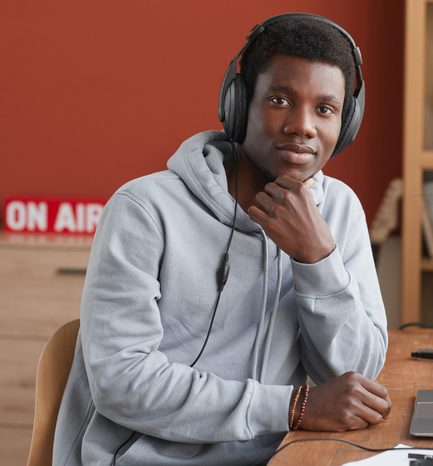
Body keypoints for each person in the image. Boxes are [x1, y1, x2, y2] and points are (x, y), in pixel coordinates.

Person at [53, 13, 391, 465]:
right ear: (239, 104)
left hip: (280, 456)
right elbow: (121, 381)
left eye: (325, 109)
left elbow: (356, 374)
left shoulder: (339, 210)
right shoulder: (144, 209)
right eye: (280, 100)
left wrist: (316, 258)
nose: (303, 126)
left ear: (344, 124)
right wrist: (291, 406)